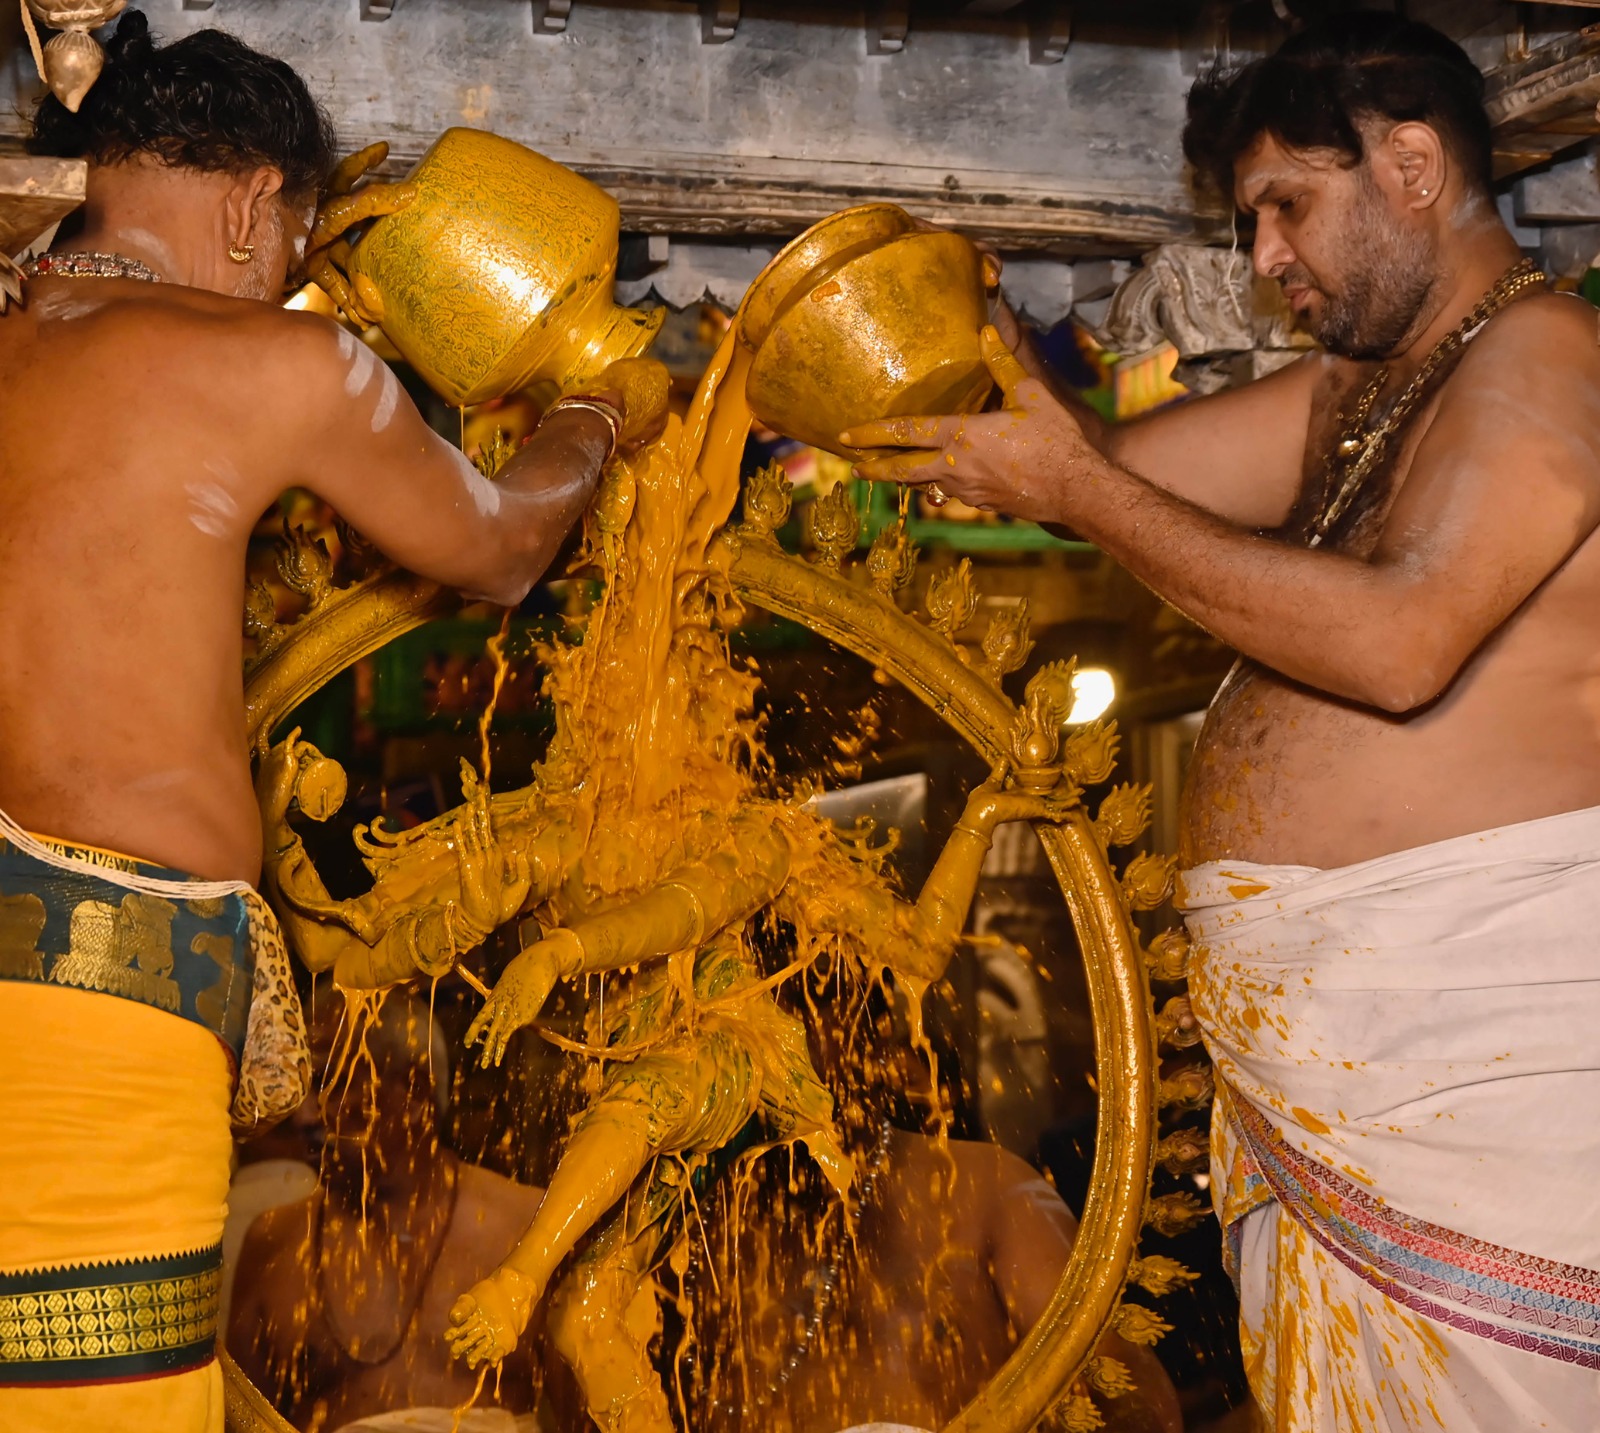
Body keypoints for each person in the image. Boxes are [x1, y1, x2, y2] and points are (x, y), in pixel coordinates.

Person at [844, 14, 1600, 1431]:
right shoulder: (1354, 392)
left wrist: (1077, 489)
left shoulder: (1547, 353)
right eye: (1254, 221)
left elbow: (1401, 644)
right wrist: (981, 371)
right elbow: (1103, 473)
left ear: (1414, 166)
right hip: (1332, 1087)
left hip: (1481, 1075)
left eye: (1286, 207)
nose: (1264, 259)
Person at [0, 12, 663, 1432]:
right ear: (254, 206)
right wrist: (599, 412)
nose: (286, 283)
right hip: (93, 1010)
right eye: (296, 250)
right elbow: (500, 544)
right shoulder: (265, 361)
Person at [228, 993, 550, 1433]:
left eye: (329, 1084)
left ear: (414, 1092)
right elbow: (239, 1420)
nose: (304, 1118)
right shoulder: (276, 1242)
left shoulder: (530, 1230)